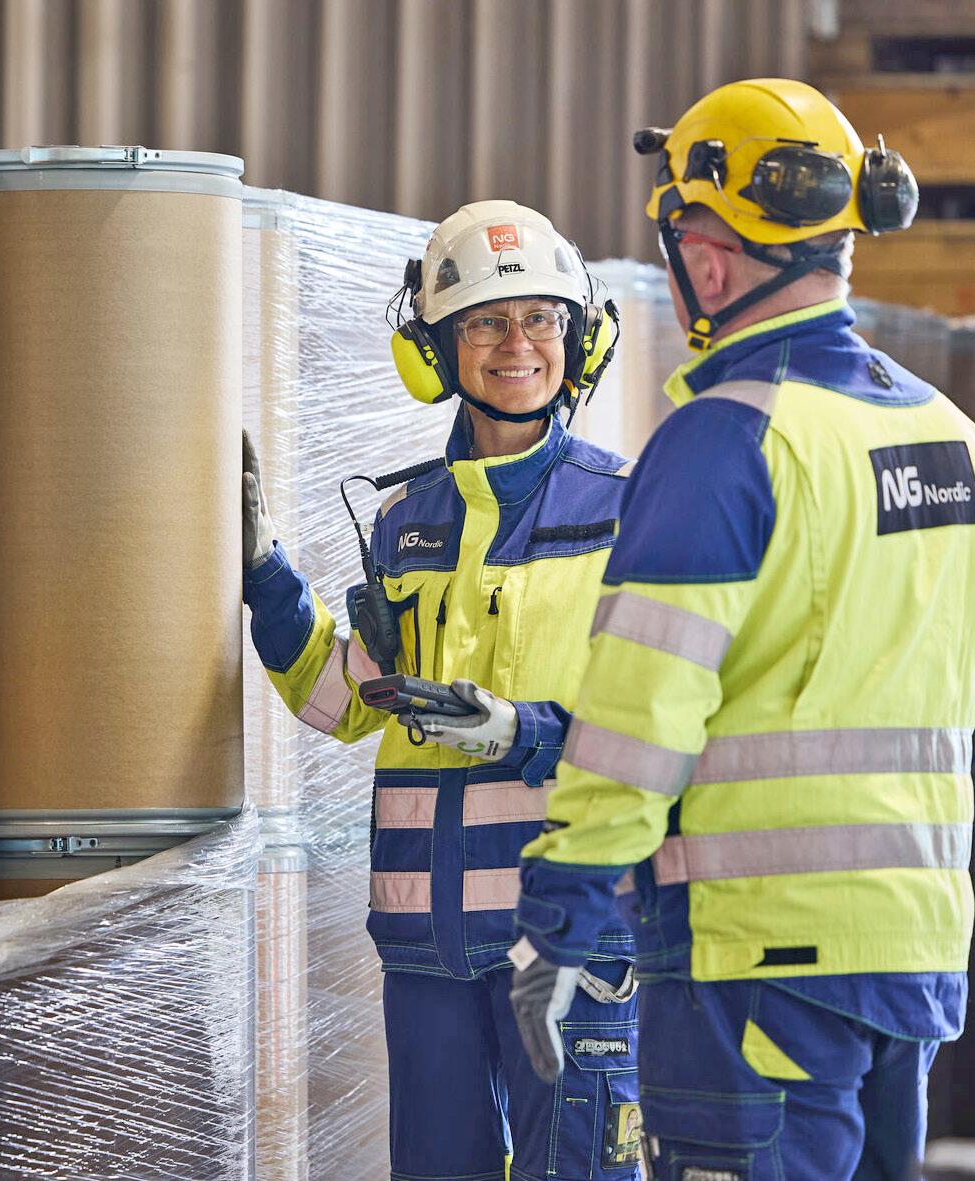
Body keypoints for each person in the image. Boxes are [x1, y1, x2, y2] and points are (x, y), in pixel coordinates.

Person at [505, 79, 975, 1180]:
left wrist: (562, 914)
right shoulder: (959, 441)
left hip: (755, 959)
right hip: (913, 950)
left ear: (711, 258)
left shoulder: (724, 440)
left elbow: (639, 714)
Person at [241, 200, 645, 1181]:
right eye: (486, 323)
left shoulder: (629, 508)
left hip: (571, 933)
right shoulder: (405, 519)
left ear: (578, 340)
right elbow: (343, 699)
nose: (518, 344)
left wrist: (520, 730)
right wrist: (265, 577)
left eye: (540, 318)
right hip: (426, 941)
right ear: (435, 351)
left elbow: (664, 724)